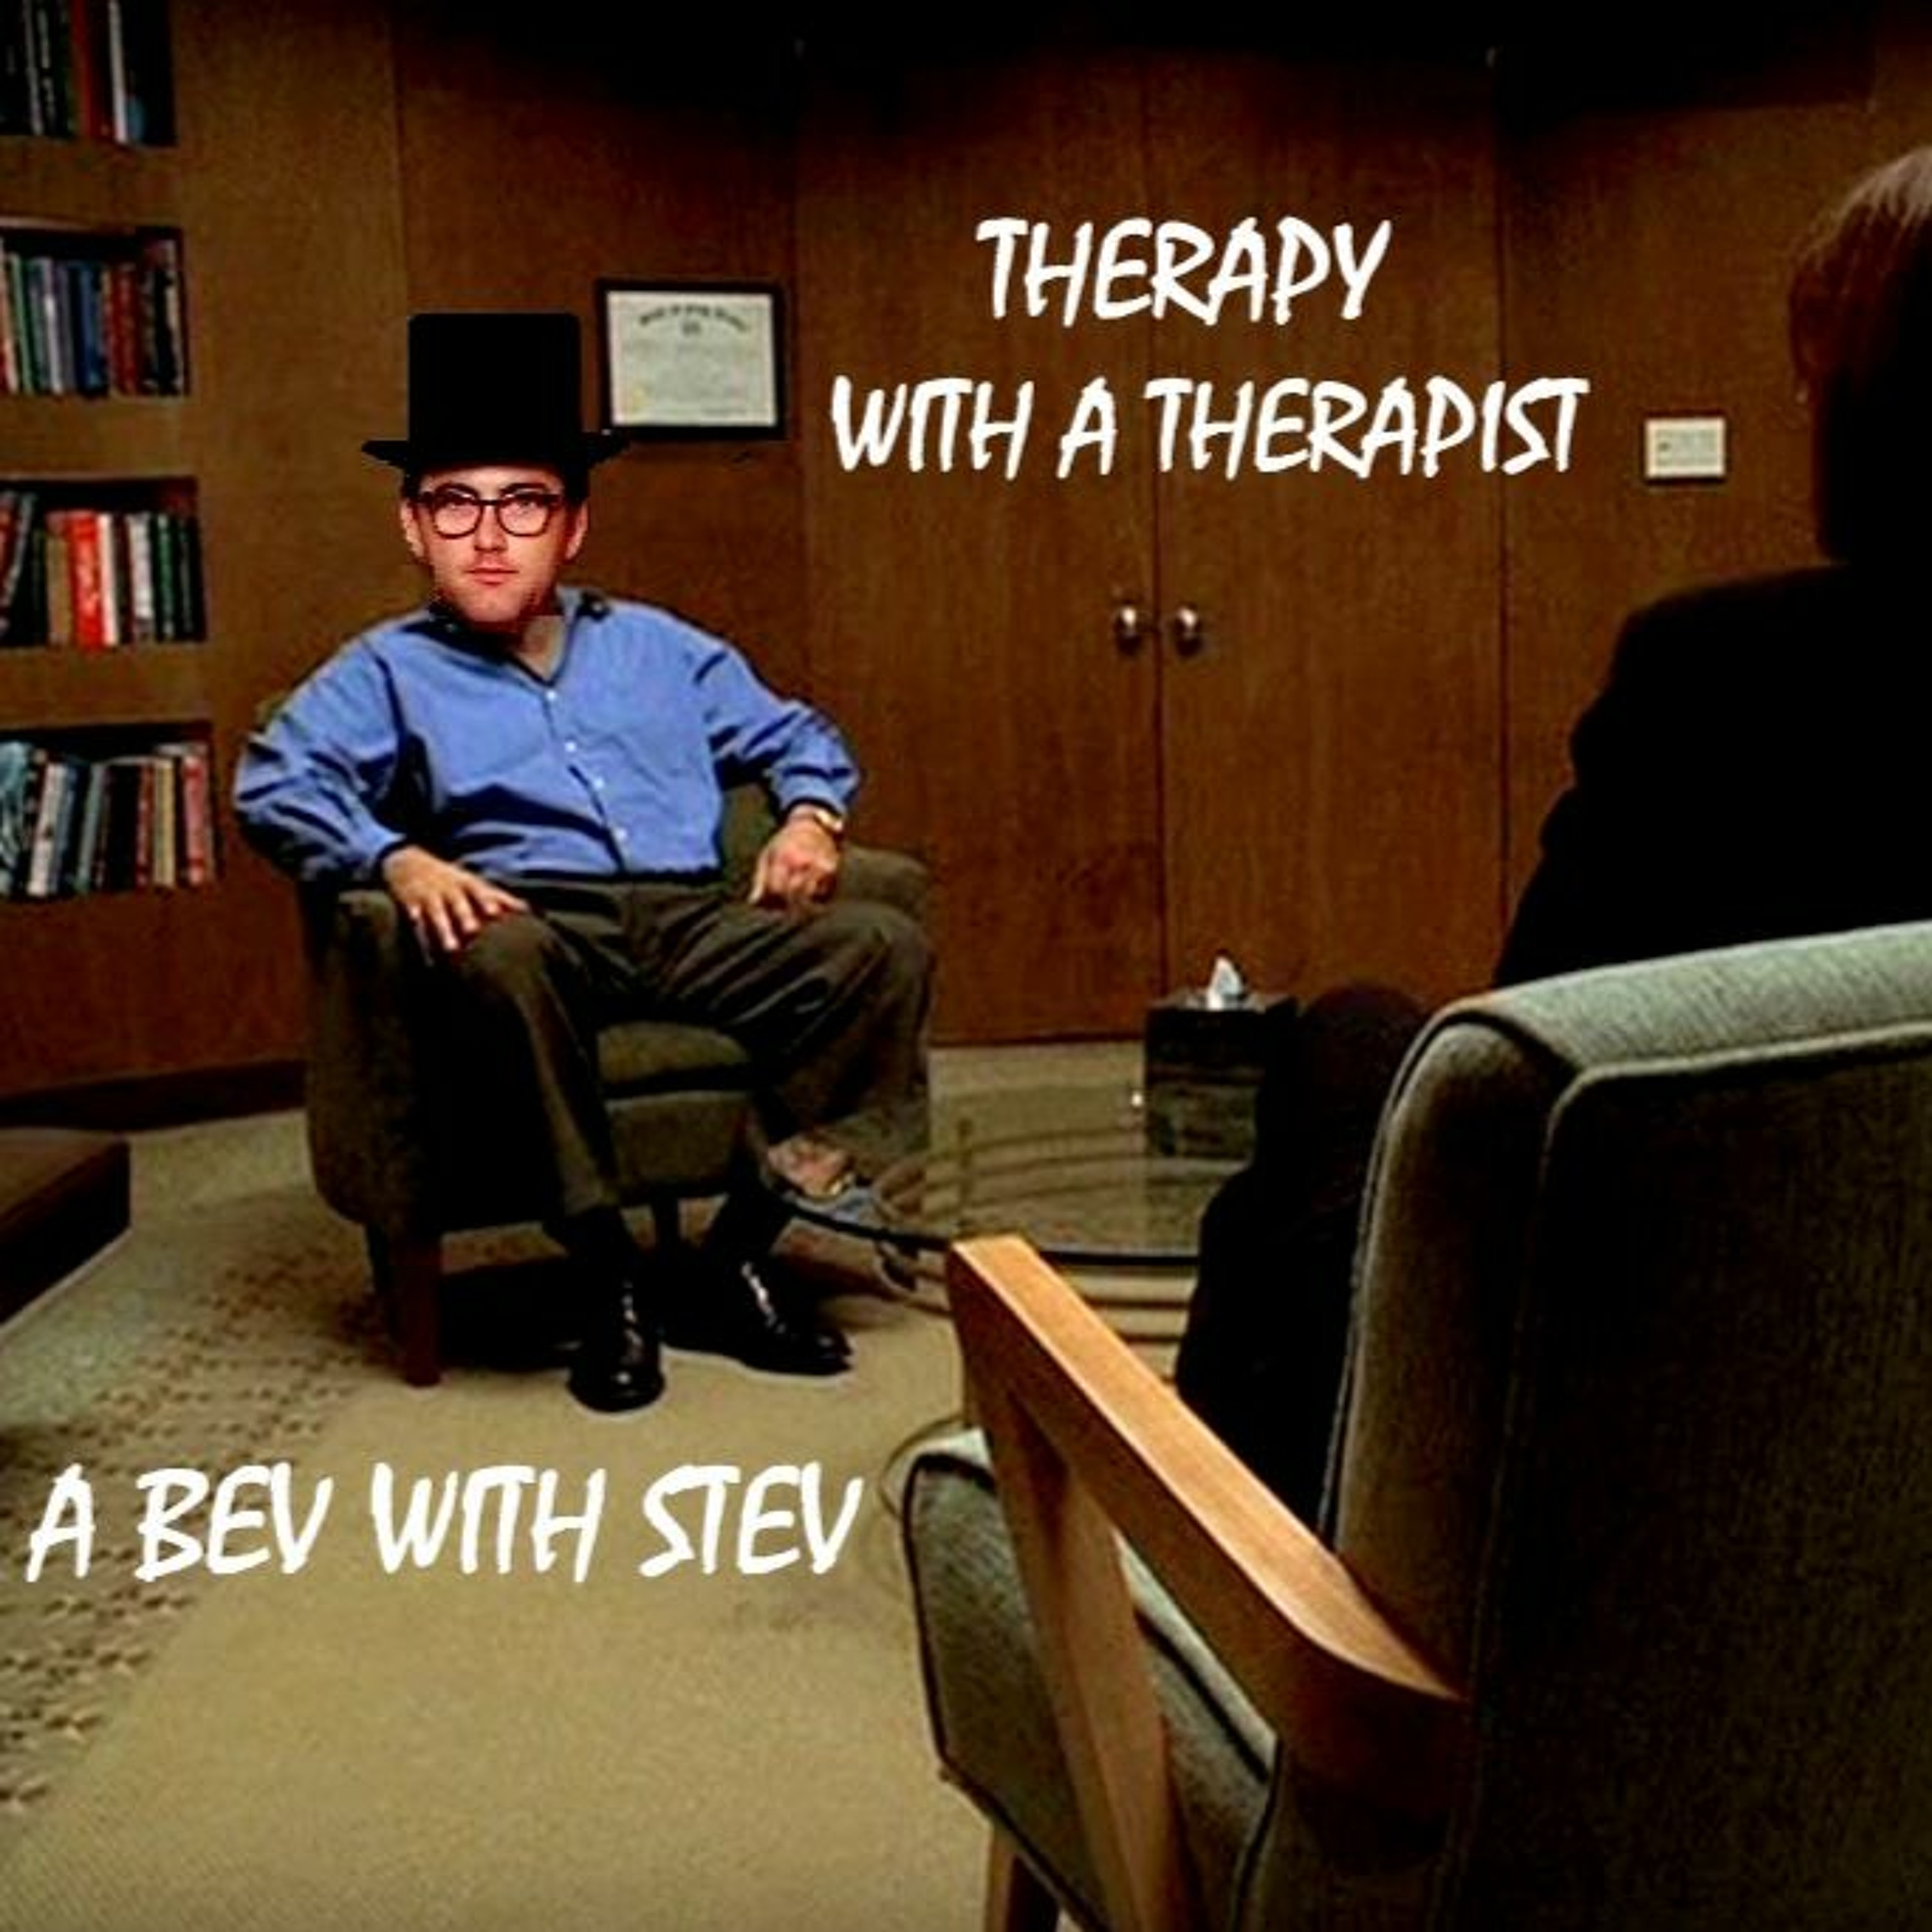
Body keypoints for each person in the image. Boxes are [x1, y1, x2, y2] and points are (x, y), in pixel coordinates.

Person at [1177, 142, 1932, 1522]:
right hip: (1879, 1390)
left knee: (1351, 1043)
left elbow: (1533, 1065)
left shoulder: (1723, 680)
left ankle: (1241, 1556)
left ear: (1869, 403)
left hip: (1675, 1395)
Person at [234, 311, 933, 1417]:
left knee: (881, 947)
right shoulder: (383, 670)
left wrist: (809, 818)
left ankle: (740, 1248)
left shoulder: (659, 646)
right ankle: (609, 1270)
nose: (489, 537)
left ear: (572, 526)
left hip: (690, 914)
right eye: (455, 505)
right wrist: (396, 858)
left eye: (525, 504)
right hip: (536, 922)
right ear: (415, 527)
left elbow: (795, 735)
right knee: (500, 957)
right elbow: (275, 785)